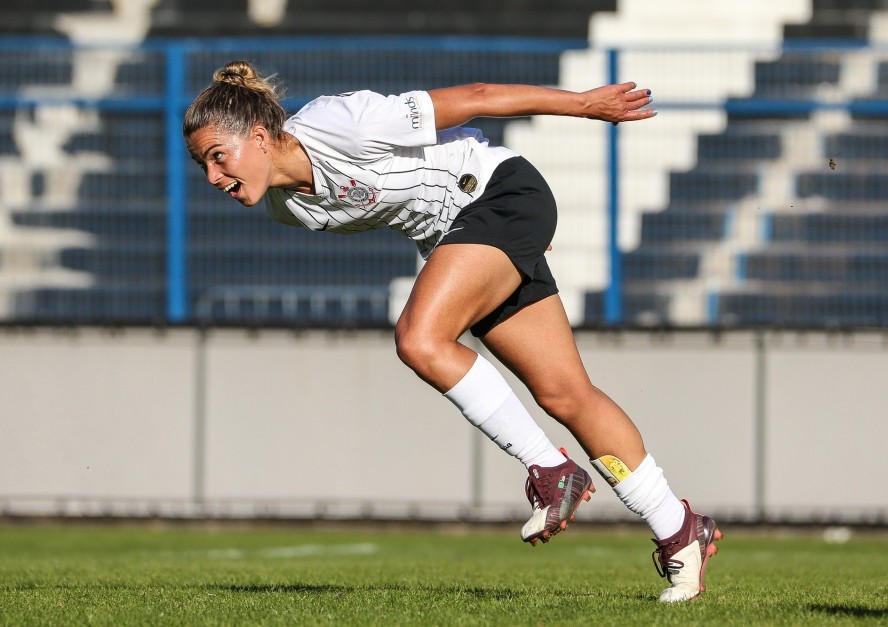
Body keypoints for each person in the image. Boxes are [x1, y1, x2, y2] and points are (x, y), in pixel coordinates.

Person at [183, 60, 722, 603]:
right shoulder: (288, 208)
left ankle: (551, 469)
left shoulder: (340, 123)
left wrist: (583, 105)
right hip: (475, 233)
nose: (212, 178)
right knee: (565, 393)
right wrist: (499, 249)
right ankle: (680, 530)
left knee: (419, 339)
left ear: (258, 136)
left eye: (216, 156)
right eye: (202, 165)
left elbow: (477, 95)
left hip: (499, 196)